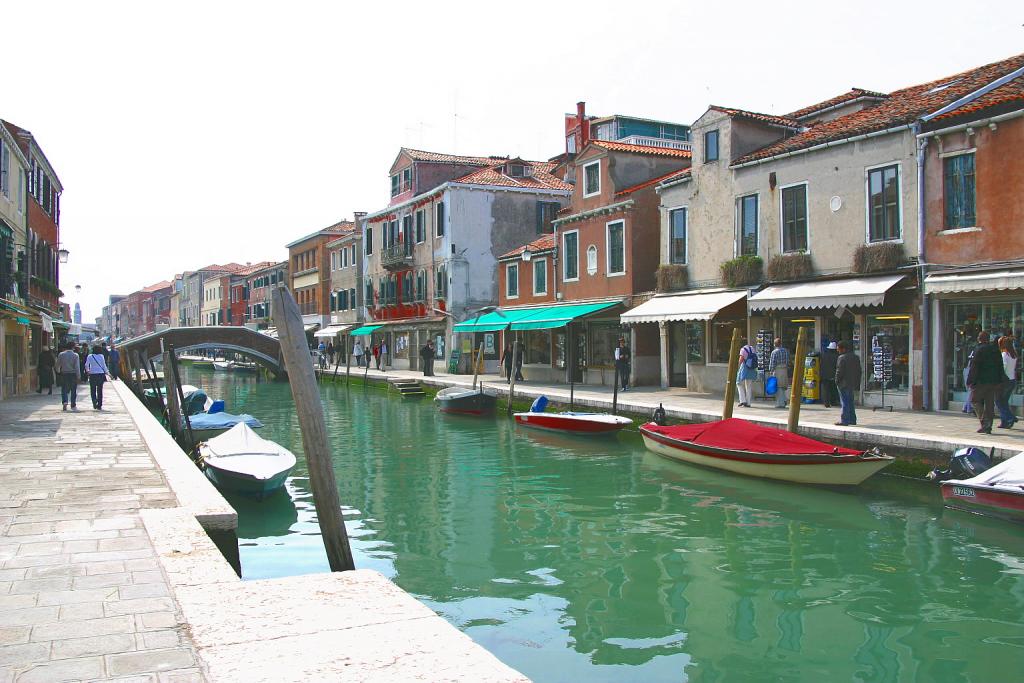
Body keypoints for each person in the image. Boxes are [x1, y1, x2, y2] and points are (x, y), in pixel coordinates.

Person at [967, 331, 1004, 434]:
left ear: (980, 339)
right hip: (993, 381)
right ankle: (988, 426)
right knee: (989, 403)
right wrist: (1000, 381)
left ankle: (984, 423)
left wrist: (970, 380)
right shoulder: (995, 350)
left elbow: (974, 367)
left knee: (974, 400)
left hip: (981, 381)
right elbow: (1000, 366)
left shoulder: (979, 350)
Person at [835, 340, 861, 426]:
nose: (838, 351)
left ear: (843, 349)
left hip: (843, 383)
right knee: (850, 401)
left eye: (838, 349)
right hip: (852, 383)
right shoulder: (856, 357)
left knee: (844, 401)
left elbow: (839, 372)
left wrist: (836, 381)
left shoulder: (841, 358)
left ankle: (844, 420)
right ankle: (852, 419)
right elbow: (859, 371)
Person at [55, 342, 81, 411]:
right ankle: (73, 404)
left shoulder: (61, 354)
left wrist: (58, 371)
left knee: (64, 389)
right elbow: (77, 367)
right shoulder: (75, 355)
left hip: (64, 373)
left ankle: (65, 402)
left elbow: (57, 364)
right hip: (73, 374)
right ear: (73, 347)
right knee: (73, 390)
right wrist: (78, 376)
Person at [84, 345, 110, 410]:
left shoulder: (90, 356)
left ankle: (94, 401)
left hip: (92, 374)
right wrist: (107, 373)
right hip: (100, 374)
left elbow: (86, 365)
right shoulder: (101, 356)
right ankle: (99, 404)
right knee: (100, 389)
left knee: (92, 389)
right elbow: (104, 365)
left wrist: (88, 371)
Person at [768, 337, 790, 409]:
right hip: (784, 369)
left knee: (778, 386)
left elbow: (772, 363)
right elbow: (787, 361)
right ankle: (784, 400)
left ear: (775, 344)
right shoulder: (786, 351)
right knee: (783, 386)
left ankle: (780, 403)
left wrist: (771, 371)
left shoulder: (774, 352)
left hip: (777, 369)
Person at [736, 340, 758, 408]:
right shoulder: (752, 348)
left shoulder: (743, 350)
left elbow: (741, 359)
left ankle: (742, 400)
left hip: (744, 368)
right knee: (749, 386)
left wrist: (737, 366)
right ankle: (748, 402)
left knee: (738, 383)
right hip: (751, 368)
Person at [820, 341, 839, 408]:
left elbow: (821, 365)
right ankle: (833, 401)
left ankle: (826, 403)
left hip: (825, 374)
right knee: (833, 389)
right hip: (833, 375)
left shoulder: (824, 355)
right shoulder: (837, 356)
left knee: (825, 389)